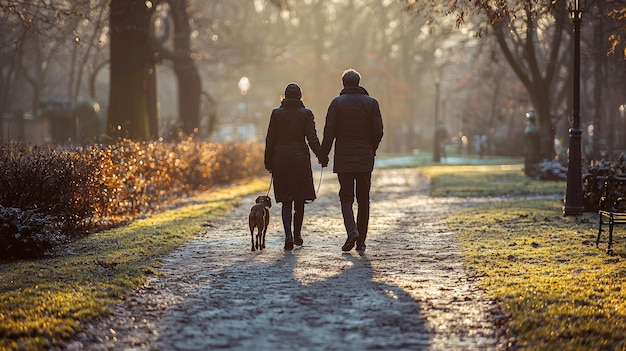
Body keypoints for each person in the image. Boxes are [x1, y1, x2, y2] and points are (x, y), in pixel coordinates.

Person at [319, 69, 384, 252]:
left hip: (344, 158)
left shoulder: (337, 104)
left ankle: (352, 230)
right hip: (365, 158)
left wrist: (324, 155)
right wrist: (372, 148)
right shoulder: (371, 103)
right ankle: (361, 241)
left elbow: (329, 132)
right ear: (358, 82)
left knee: (346, 198)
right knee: (364, 200)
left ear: (343, 84)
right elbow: (378, 130)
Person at [265, 82, 324, 250]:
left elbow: (270, 139)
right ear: (300, 96)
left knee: (286, 201)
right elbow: (311, 138)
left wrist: (268, 162)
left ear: (284, 96)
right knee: (299, 199)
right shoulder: (306, 114)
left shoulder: (276, 114)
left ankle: (288, 235)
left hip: (281, 159)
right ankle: (297, 235)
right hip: (300, 160)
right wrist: (321, 156)